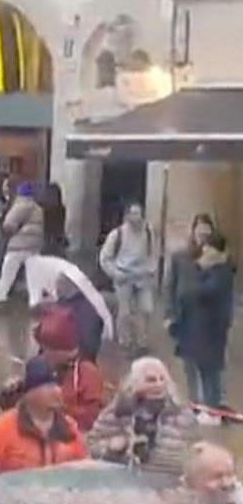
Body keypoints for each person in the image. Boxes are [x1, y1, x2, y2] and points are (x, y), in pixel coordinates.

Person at [86, 356, 198, 473]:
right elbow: (92, 447)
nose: (158, 384)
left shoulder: (182, 415)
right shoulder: (116, 413)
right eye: (151, 380)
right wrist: (110, 447)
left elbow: (194, 455)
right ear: (135, 383)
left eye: (162, 379)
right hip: (125, 484)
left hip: (170, 483)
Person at [0, 356, 86, 473]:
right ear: (29, 393)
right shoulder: (0, 430)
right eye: (49, 386)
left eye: (58, 385)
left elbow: (83, 471)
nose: (57, 391)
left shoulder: (70, 428)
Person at [174, 231, 235, 411]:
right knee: (192, 367)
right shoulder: (204, 268)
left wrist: (196, 270)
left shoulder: (221, 271)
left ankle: (211, 407)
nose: (204, 251)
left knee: (210, 372)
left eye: (208, 248)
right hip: (192, 326)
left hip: (210, 330)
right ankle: (197, 405)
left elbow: (199, 291)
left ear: (217, 251)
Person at [100, 201, 159, 345]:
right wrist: (114, 273)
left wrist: (151, 269)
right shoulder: (117, 234)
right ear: (126, 216)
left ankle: (142, 341)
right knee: (125, 313)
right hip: (123, 276)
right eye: (132, 214)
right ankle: (124, 341)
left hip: (142, 277)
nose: (135, 218)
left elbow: (154, 253)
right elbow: (104, 257)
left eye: (138, 214)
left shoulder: (149, 233)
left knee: (146, 309)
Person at [0, 183, 43, 304]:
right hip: (35, 245)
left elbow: (8, 224)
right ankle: (36, 301)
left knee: (7, 273)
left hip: (19, 245)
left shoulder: (20, 205)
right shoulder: (38, 208)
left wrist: (10, 230)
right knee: (33, 276)